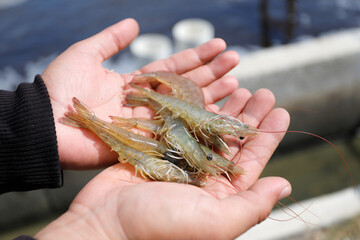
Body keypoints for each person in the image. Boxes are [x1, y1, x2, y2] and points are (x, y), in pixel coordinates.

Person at [1, 18, 291, 239]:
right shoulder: (178, 134)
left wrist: (33, 120)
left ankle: (94, 118)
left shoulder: (188, 139)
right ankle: (103, 113)